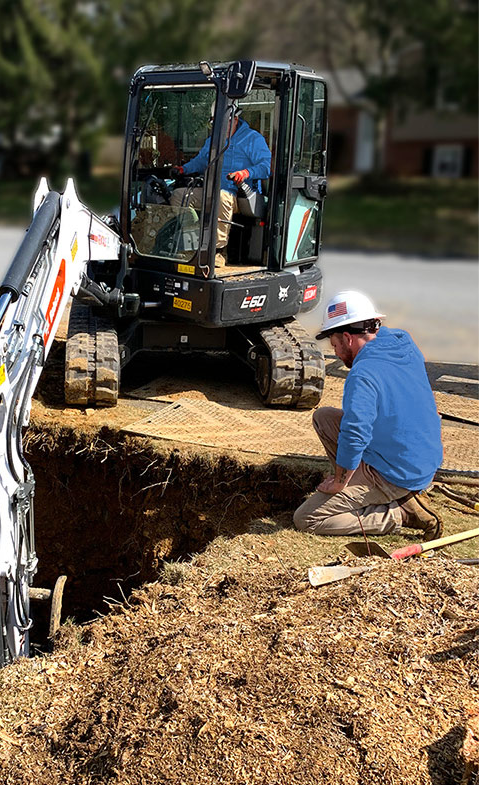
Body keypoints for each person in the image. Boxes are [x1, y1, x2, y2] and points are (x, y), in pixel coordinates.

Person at [293, 290, 443, 540]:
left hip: (397, 473)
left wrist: (340, 482)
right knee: (324, 418)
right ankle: (369, 489)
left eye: (336, 345)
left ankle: (401, 514)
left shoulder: (362, 374)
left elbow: (355, 434)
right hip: (421, 458)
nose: (337, 354)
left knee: (307, 518)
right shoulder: (401, 341)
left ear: (348, 338)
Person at [170, 106, 271, 268]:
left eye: (223, 123)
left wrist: (245, 172)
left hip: (240, 194)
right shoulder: (213, 140)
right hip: (211, 190)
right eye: (215, 123)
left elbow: (265, 167)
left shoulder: (253, 139)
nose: (219, 128)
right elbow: (201, 161)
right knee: (179, 196)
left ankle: (218, 250)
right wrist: (184, 169)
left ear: (235, 120)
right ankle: (193, 243)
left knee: (221, 196)